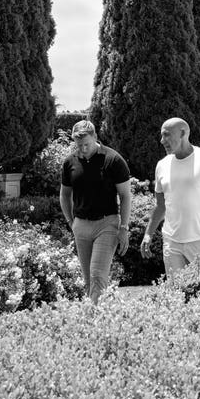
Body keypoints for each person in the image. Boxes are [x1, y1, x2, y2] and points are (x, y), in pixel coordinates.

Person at [140, 117, 200, 276]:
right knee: (175, 294)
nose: (162, 140)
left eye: (167, 135)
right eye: (162, 136)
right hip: (172, 243)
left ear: (183, 133)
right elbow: (160, 205)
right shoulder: (162, 165)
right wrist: (148, 234)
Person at [60, 120, 132, 303]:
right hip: (81, 225)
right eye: (79, 145)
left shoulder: (113, 160)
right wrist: (71, 222)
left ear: (95, 138)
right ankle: (104, 315)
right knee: (88, 281)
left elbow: (125, 196)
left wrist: (124, 228)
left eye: (87, 144)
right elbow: (64, 195)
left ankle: (93, 321)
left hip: (107, 224)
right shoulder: (70, 162)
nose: (83, 149)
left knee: (98, 275)